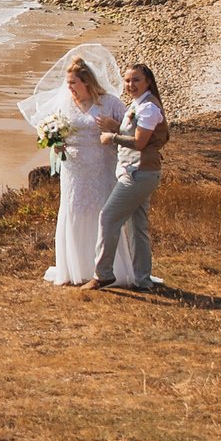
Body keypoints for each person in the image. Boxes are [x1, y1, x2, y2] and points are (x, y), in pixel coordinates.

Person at [41, 58, 125, 287]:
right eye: (67, 83)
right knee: (74, 209)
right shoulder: (65, 104)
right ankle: (75, 268)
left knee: (101, 213)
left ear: (86, 81)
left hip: (100, 169)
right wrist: (54, 143)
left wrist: (114, 127)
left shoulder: (109, 103)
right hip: (73, 170)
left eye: (72, 82)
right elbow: (54, 129)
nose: (68, 87)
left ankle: (104, 268)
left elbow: (130, 130)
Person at [92, 63, 168, 291]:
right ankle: (143, 280)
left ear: (148, 82)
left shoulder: (148, 109)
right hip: (137, 171)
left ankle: (103, 274)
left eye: (136, 80)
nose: (130, 85)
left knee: (108, 217)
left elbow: (139, 142)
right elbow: (134, 133)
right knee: (137, 227)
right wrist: (117, 127)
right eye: (127, 81)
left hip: (139, 173)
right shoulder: (138, 105)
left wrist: (112, 137)